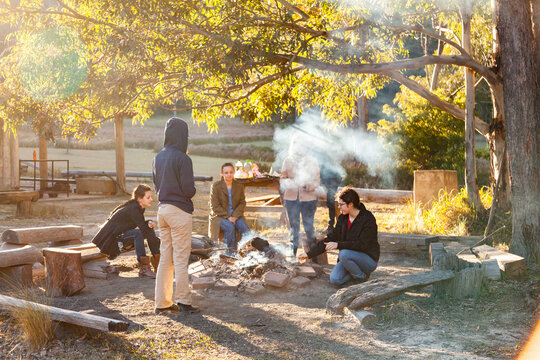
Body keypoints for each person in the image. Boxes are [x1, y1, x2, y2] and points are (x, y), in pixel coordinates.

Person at [152, 117, 199, 314]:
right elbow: (189, 190)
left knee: (165, 258)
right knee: (180, 258)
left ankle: (161, 303)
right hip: (179, 212)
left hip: (162, 210)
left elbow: (156, 186)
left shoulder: (158, 157)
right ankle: (184, 301)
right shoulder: (183, 159)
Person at [298, 187, 379, 286]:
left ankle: (360, 277)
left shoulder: (368, 218)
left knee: (343, 254)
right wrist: (309, 254)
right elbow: (330, 239)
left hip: (368, 260)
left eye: (341, 204)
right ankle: (354, 272)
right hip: (348, 258)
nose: (339, 207)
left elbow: (362, 244)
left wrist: (338, 245)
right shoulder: (342, 218)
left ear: (350, 204)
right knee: (335, 280)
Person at [92, 184, 160, 278]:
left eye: (151, 197)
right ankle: (144, 268)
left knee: (148, 228)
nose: (151, 199)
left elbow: (142, 225)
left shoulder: (138, 207)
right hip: (110, 243)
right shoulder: (133, 209)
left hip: (119, 236)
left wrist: (148, 223)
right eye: (148, 197)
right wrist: (155, 238)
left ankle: (158, 262)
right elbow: (141, 228)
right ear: (140, 199)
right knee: (138, 233)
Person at [280, 136, 320, 256]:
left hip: (309, 199)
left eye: (301, 144)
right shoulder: (287, 160)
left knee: (309, 228)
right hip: (292, 199)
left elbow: (317, 181)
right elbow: (282, 179)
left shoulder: (312, 161)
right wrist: (289, 183)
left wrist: (307, 186)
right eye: (296, 144)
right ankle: (293, 257)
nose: (299, 147)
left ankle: (313, 257)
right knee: (294, 229)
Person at [208, 162, 250, 254]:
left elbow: (242, 202)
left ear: (234, 172)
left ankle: (245, 252)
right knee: (229, 227)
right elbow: (214, 206)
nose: (229, 175)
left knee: (245, 229)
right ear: (222, 174)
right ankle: (227, 253)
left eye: (231, 172)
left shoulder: (239, 186)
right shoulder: (216, 186)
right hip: (219, 216)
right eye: (226, 173)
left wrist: (234, 216)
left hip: (236, 215)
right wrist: (228, 217)